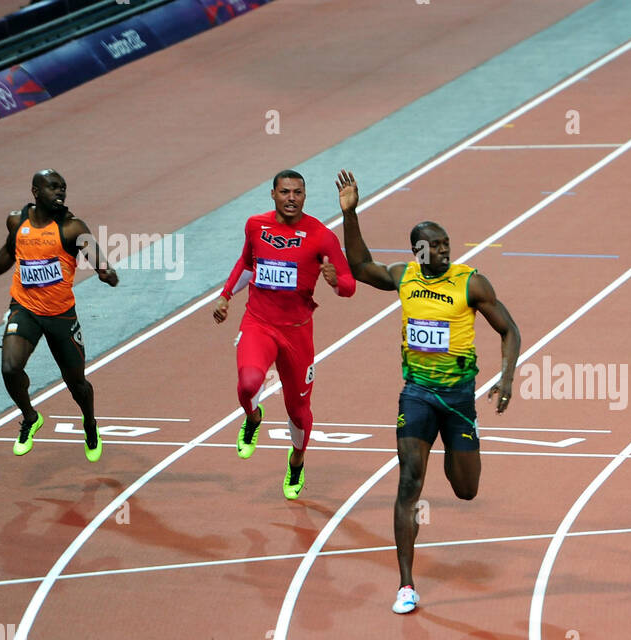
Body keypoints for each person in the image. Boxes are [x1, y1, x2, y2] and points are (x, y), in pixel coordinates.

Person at [336, 169, 521, 614]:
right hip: (417, 394)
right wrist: (352, 214)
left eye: (446, 245)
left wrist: (507, 377)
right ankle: (405, 584)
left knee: (466, 490)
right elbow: (360, 267)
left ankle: (451, 451)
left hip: (457, 399)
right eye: (434, 246)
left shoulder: (470, 282)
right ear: (417, 249)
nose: (442, 251)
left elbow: (509, 329)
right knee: (408, 483)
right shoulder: (405, 277)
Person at [214, 169, 356, 500]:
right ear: (273, 194)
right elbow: (247, 265)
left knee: (298, 411)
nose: (291, 197)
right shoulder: (255, 225)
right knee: (248, 384)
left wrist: (334, 280)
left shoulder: (321, 236)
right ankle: (253, 417)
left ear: (305, 197)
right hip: (258, 324)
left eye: (298, 192)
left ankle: (297, 460)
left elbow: (349, 286)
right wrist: (225, 296)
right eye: (285, 191)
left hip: (297, 335)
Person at [0, 169, 119, 459]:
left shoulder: (71, 227)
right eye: (53, 187)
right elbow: (8, 253)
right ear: (35, 192)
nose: (60, 192)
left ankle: (90, 424)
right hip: (24, 309)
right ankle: (31, 417)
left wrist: (105, 271)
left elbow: (95, 255)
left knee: (77, 384)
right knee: (9, 368)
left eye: (63, 188)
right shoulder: (16, 221)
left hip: (61, 316)